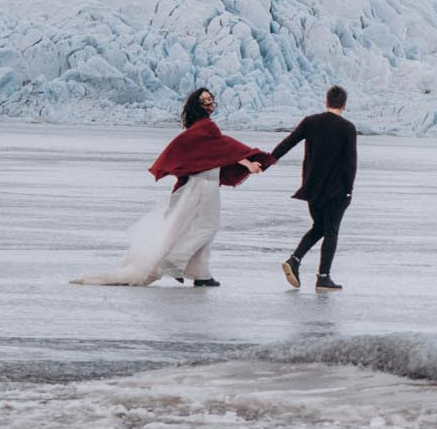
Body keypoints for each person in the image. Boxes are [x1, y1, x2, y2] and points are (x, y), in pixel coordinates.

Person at [73, 88, 271, 287]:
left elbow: (219, 151)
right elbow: (227, 148)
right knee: (208, 226)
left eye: (211, 99)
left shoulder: (196, 128)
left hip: (200, 184)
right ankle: (174, 261)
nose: (210, 103)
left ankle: (201, 274)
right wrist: (249, 163)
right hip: (205, 186)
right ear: (197, 106)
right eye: (205, 101)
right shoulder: (207, 128)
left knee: (195, 227)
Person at [271, 84, 357, 292]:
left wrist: (268, 159)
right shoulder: (347, 128)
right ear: (344, 105)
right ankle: (323, 277)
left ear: (326, 102)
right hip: (336, 191)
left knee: (320, 227)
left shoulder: (310, 122)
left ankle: (295, 260)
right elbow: (350, 162)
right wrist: (349, 189)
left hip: (312, 188)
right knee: (331, 231)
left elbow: (288, 142)